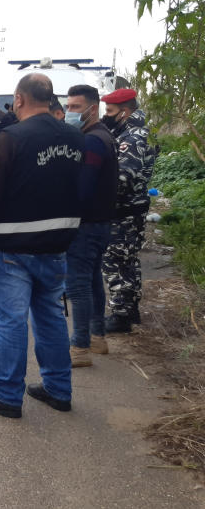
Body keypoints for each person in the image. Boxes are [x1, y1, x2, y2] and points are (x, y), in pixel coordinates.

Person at [0, 73, 85, 418]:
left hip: (13, 250)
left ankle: (6, 394)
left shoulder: (9, 139)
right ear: (50, 98)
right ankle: (59, 389)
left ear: (18, 99)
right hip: (56, 246)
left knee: (10, 322)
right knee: (51, 318)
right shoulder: (77, 139)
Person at [63, 84, 119, 367]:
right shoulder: (103, 136)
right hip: (100, 223)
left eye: (75, 107)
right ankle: (98, 337)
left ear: (92, 109)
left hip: (86, 225)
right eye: (68, 106)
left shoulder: (93, 141)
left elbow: (84, 187)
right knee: (93, 279)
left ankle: (80, 347)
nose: (69, 112)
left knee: (78, 286)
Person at [100, 87, 155, 333]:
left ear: (124, 111)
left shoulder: (133, 137)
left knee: (115, 262)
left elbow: (122, 179)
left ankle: (121, 315)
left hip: (124, 213)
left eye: (110, 111)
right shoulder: (132, 132)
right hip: (131, 210)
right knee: (128, 262)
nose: (107, 115)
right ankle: (129, 311)